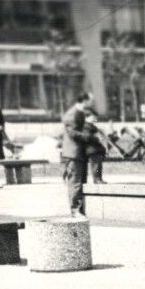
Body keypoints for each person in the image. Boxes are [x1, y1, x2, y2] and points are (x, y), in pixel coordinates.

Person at [60, 89, 93, 217]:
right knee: (75, 181)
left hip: (79, 153)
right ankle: (75, 209)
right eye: (90, 100)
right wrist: (89, 137)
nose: (92, 103)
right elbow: (72, 132)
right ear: (84, 100)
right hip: (73, 153)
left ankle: (80, 209)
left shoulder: (80, 113)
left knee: (80, 181)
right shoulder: (72, 114)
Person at [83, 120, 107, 185]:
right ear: (87, 118)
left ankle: (98, 178)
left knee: (98, 165)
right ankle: (97, 179)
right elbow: (87, 137)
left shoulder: (91, 126)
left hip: (95, 148)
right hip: (92, 149)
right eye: (93, 117)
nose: (95, 119)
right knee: (95, 165)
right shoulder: (86, 126)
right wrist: (97, 138)